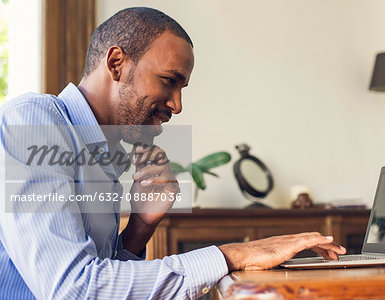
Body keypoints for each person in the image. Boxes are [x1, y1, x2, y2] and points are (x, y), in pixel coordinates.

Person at [0, 7, 346, 300]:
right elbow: (73, 289)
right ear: (117, 63)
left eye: (181, 88)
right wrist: (233, 254)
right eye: (168, 81)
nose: (177, 106)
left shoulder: (103, 153)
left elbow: (107, 280)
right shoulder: (33, 120)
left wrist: (140, 227)